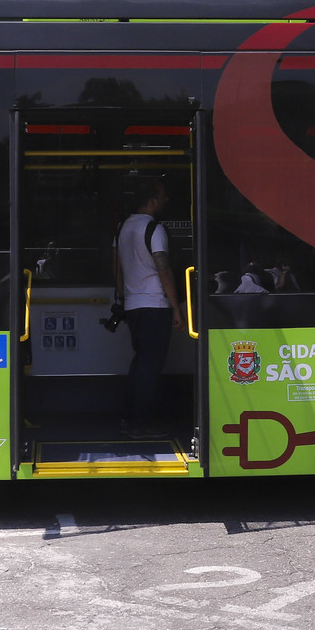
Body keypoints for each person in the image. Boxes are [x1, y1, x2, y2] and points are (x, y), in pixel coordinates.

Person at [114, 176, 183, 436]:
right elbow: (163, 271)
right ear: (152, 201)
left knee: (141, 362)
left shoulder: (123, 227)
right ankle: (140, 423)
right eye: (163, 196)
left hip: (133, 305)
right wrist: (176, 308)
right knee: (151, 365)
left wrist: (125, 296)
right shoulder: (155, 229)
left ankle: (129, 417)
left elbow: (117, 267)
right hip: (154, 304)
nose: (166, 200)